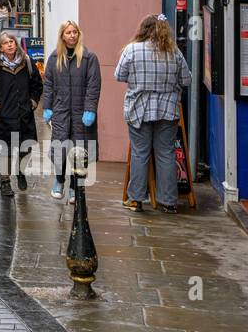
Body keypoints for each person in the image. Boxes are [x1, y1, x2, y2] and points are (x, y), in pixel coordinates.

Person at [115, 14, 192, 214]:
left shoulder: (131, 50)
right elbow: (186, 79)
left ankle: (136, 200)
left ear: (143, 29)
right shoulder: (173, 52)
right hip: (167, 110)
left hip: (138, 109)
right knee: (166, 153)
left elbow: (119, 75)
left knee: (140, 153)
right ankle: (169, 202)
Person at [42, 20, 101, 201]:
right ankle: (59, 181)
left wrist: (90, 109)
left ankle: (75, 187)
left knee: (79, 151)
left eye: (75, 32)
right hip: (61, 112)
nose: (72, 35)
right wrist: (47, 107)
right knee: (60, 148)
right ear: (62, 35)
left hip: (81, 114)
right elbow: (49, 85)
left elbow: (93, 86)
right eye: (68, 32)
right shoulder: (54, 58)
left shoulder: (89, 58)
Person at [0, 31, 43, 197]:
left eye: (12, 42)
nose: (10, 44)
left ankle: (20, 171)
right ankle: (5, 182)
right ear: (0, 48)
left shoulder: (27, 62)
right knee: (6, 151)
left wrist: (33, 101)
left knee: (26, 148)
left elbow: (37, 85)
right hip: (4, 117)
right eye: (6, 43)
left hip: (24, 115)